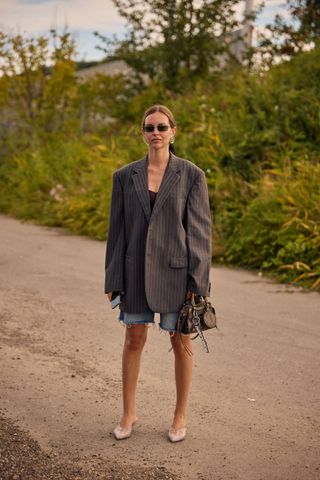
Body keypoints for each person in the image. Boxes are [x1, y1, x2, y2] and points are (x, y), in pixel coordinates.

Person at [105, 104, 212, 442]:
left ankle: (180, 416)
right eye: (149, 127)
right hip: (134, 270)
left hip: (176, 272)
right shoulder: (124, 176)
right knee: (133, 339)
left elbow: (199, 233)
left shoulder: (192, 175)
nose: (156, 133)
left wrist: (199, 283)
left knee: (180, 341)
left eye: (161, 127)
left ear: (172, 132)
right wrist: (112, 278)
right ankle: (128, 413)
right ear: (143, 133)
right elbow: (117, 231)